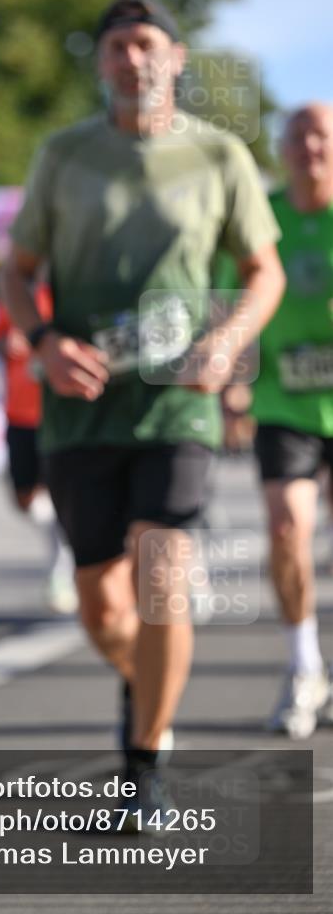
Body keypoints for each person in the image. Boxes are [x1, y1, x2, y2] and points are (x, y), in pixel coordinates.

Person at [0, 0, 285, 821]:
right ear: (99, 62)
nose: (132, 59)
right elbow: (17, 271)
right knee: (100, 604)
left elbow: (261, 271)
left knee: (163, 577)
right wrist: (45, 341)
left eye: (146, 43)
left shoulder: (220, 155)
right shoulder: (63, 154)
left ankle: (145, 762)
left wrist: (227, 343)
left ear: (177, 57)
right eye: (117, 46)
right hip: (79, 407)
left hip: (178, 407)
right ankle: (147, 682)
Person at [250, 103, 333, 738]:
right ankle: (304, 665)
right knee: (286, 529)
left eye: (322, 134)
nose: (309, 145)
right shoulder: (264, 217)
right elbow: (236, 294)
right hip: (285, 404)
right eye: (297, 134)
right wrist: (230, 380)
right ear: (281, 147)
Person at [0, 283, 77, 613]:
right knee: (24, 497)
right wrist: (6, 343)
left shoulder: (64, 290)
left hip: (57, 412)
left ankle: (62, 565)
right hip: (18, 412)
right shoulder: (13, 294)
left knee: (61, 493)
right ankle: (60, 545)